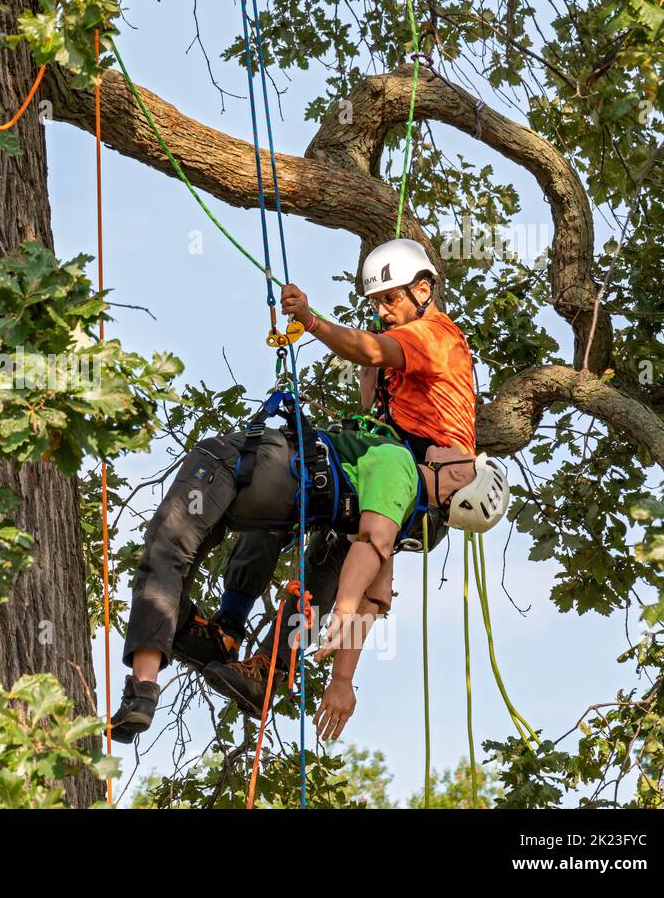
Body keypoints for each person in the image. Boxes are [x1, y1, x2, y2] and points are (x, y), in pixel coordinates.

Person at [178, 238, 478, 704]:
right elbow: (379, 408)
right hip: (389, 469)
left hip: (428, 489)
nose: (382, 311)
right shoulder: (404, 349)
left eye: (390, 298)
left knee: (332, 552)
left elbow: (370, 350)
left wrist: (312, 322)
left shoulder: (436, 337)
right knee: (288, 497)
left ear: (423, 289)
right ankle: (228, 629)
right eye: (376, 302)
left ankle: (274, 665)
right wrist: (370, 390)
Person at [108, 406, 509, 743]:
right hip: (268, 511)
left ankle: (143, 688)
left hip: (229, 468)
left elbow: (371, 548)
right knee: (200, 563)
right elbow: (376, 597)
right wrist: (342, 678)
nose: (452, 445)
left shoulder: (400, 464)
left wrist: (343, 611)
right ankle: (220, 639)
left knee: (166, 555)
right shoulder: (403, 515)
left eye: (463, 456)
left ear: (459, 477)